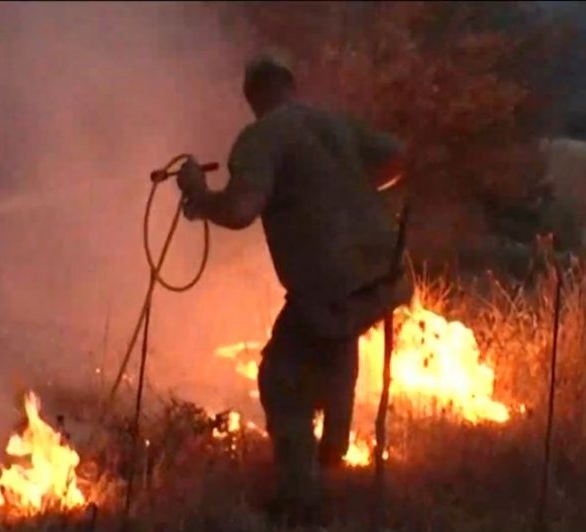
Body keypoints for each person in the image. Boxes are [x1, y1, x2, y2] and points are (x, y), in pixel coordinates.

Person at [176, 54, 413, 526]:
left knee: (281, 381)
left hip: (329, 281)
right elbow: (402, 157)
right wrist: (348, 192)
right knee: (335, 337)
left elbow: (241, 209)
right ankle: (334, 458)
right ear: (290, 84)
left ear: (252, 96)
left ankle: (301, 501)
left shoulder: (262, 135)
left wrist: (199, 196)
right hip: (386, 273)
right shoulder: (331, 122)